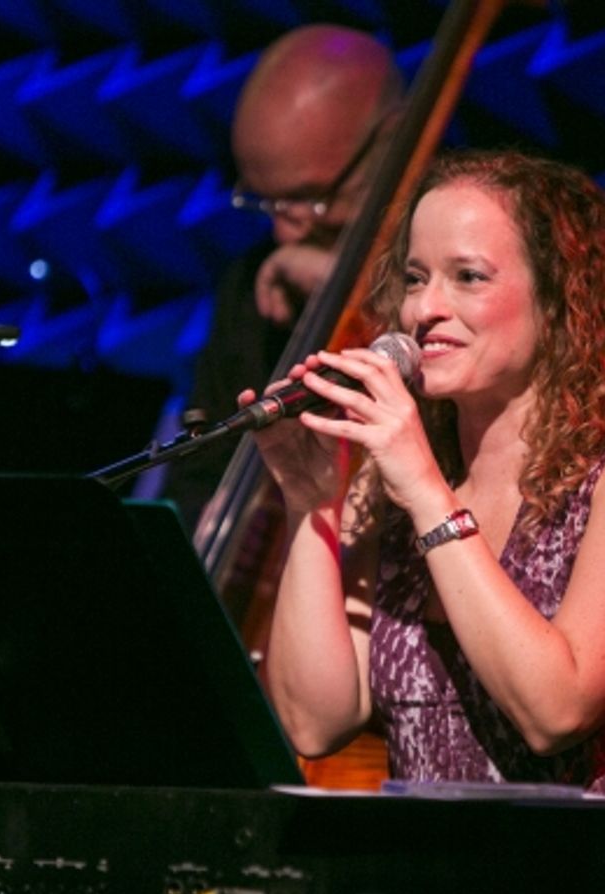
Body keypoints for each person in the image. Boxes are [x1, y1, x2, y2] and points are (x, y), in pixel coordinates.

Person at [248, 150, 605, 801]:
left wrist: (423, 490)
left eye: (468, 276)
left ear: (561, 302)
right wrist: (310, 502)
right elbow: (313, 719)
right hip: (436, 882)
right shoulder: (396, 483)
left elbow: (555, 710)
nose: (425, 310)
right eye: (415, 278)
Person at [160, 24, 405, 525]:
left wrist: (354, 289)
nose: (284, 232)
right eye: (263, 200)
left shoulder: (466, 267)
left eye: (308, 199)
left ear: (391, 142)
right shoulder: (250, 281)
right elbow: (197, 470)